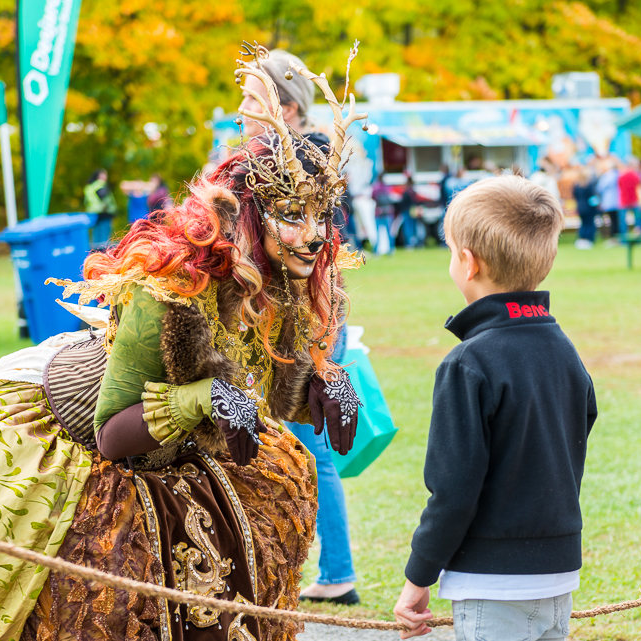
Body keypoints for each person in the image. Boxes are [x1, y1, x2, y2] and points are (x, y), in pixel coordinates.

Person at [0, 43, 364, 641]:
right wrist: (206, 399)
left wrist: (327, 382)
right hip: (82, 441)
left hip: (179, 452)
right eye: (291, 214)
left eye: (321, 216)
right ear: (248, 218)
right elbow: (111, 434)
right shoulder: (174, 293)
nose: (313, 237)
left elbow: (274, 393)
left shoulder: (289, 283)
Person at [393, 176, 598, 640]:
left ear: (467, 262)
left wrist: (418, 578)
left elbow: (453, 490)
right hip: (557, 573)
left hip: (493, 585)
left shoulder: (469, 363)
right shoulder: (564, 349)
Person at [238, 46, 361, 604]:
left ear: (283, 106)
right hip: (281, 324)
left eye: (251, 98)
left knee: (314, 447)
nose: (240, 109)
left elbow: (320, 256)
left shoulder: (302, 161)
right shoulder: (273, 156)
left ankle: (335, 571)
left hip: (297, 326)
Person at [83, 168, 118, 248]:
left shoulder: (90, 186)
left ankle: (95, 256)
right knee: (104, 240)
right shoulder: (100, 184)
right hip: (104, 213)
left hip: (94, 215)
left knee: (96, 239)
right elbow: (104, 197)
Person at [572, 165, 599, 249]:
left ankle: (583, 238)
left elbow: (575, 195)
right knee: (590, 223)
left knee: (583, 223)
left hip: (580, 207)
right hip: (589, 207)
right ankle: (589, 239)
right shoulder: (589, 185)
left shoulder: (577, 185)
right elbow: (592, 197)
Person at [595, 158, 621, 237]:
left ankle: (614, 236)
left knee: (612, 220)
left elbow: (599, 188)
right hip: (618, 202)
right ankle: (617, 235)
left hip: (609, 202)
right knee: (616, 220)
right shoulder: (618, 174)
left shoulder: (606, 176)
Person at [371, 171, 396, 255]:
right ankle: (391, 250)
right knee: (389, 232)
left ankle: (376, 251)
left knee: (377, 233)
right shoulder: (388, 187)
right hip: (388, 212)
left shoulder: (376, 187)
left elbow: (373, 197)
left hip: (378, 212)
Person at [617, 158, 641, 233]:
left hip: (624, 200)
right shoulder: (636, 175)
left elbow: (619, 186)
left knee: (623, 221)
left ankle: (624, 237)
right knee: (638, 219)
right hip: (634, 199)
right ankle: (638, 235)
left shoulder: (621, 175)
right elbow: (639, 186)